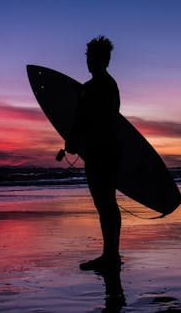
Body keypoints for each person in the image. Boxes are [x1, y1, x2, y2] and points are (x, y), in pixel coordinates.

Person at [65, 36, 122, 271]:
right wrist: (75, 139)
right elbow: (83, 120)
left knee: (106, 203)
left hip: (103, 152)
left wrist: (76, 138)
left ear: (104, 60)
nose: (89, 61)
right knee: (105, 203)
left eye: (94, 57)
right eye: (88, 57)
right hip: (99, 151)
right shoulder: (95, 87)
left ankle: (111, 256)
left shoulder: (102, 87)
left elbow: (97, 120)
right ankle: (110, 254)